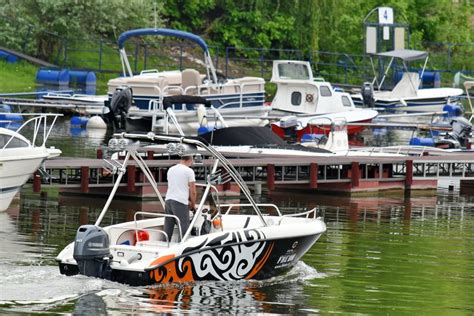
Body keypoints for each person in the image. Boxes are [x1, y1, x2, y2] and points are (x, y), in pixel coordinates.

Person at [163, 155, 196, 242]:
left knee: (168, 225)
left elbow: (175, 185)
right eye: (192, 161)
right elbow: (193, 191)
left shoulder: (171, 169)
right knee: (184, 225)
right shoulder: (189, 171)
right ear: (190, 160)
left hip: (168, 200)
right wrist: (193, 204)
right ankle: (182, 248)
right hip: (180, 201)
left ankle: (164, 244)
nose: (192, 163)